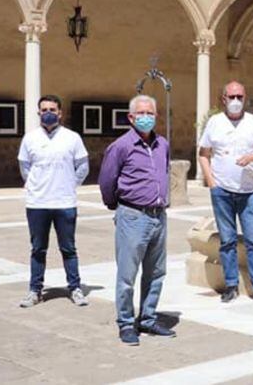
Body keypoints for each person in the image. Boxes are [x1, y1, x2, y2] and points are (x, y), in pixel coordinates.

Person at [99, 95, 174, 345]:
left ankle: (149, 317)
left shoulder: (162, 144)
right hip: (133, 216)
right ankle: (126, 322)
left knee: (156, 272)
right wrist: (117, 207)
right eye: (141, 113)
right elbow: (107, 181)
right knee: (127, 274)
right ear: (131, 118)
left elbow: (164, 172)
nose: (146, 117)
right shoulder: (121, 146)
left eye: (150, 113)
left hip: (158, 216)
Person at [198, 81, 253, 305]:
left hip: (248, 192)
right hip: (221, 191)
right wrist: (211, 182)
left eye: (239, 97)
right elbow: (203, 153)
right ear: (223, 99)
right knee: (227, 241)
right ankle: (231, 286)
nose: (235, 101)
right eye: (231, 97)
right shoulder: (214, 123)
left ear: (245, 98)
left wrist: (252, 158)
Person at [17, 95, 90, 308]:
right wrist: (35, 185)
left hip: (65, 202)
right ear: (38, 112)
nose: (48, 112)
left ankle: (75, 288)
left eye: (52, 109)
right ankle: (35, 290)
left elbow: (82, 165)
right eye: (44, 109)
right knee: (38, 249)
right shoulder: (30, 139)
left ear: (60, 112)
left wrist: (69, 184)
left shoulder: (72, 138)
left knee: (68, 248)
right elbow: (25, 167)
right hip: (37, 203)